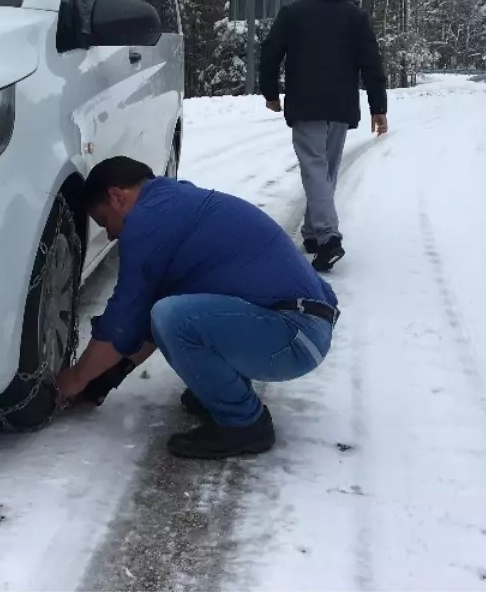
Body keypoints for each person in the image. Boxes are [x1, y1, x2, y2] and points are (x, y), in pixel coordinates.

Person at [55, 156, 340, 459]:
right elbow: (144, 321)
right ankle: (222, 392)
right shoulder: (173, 204)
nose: (111, 235)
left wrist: (74, 379)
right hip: (299, 328)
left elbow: (124, 320)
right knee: (168, 312)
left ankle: (245, 424)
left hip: (292, 332)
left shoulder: (148, 219)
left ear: (117, 197)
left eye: (105, 222)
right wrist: (103, 380)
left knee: (173, 316)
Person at [259, 0, 388, 272]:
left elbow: (270, 53)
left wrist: (271, 93)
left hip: (306, 106)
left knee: (316, 172)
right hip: (341, 109)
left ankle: (329, 237)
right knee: (324, 172)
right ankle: (312, 233)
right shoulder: (355, 17)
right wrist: (378, 107)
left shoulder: (293, 13)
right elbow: (372, 63)